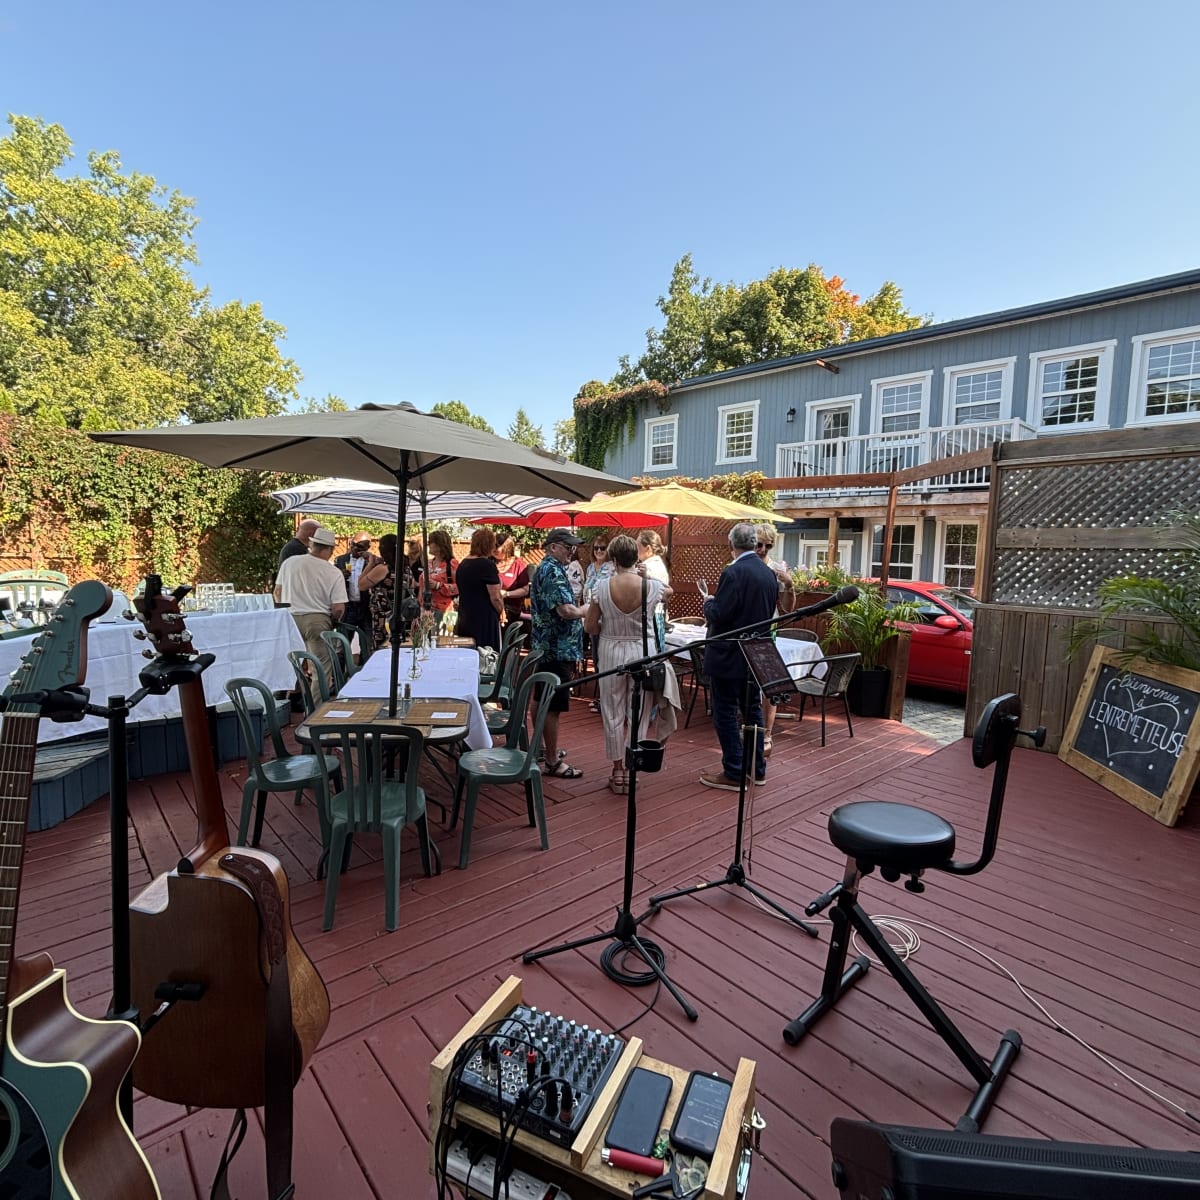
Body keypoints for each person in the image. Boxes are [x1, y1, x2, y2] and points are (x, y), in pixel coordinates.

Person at [584, 535, 680, 794]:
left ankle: (617, 771)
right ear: (636, 558)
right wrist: (646, 575)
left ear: (614, 560)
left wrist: (608, 626)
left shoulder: (601, 587)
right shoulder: (651, 586)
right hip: (641, 651)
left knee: (612, 711)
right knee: (638, 712)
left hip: (610, 651)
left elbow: (590, 626)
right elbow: (669, 591)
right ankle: (631, 769)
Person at [698, 522, 779, 790]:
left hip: (729, 655)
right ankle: (757, 769)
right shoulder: (768, 574)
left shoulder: (733, 572)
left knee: (725, 712)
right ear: (755, 543)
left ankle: (733, 771)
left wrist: (709, 603)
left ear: (731, 544)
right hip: (756, 654)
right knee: (752, 710)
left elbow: (720, 614)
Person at [529, 528, 589, 779]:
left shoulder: (546, 568)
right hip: (557, 648)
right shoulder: (552, 571)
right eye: (568, 546)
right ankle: (553, 761)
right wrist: (587, 609)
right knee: (552, 705)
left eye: (573, 547)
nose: (572, 552)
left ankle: (541, 748)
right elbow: (566, 611)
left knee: (541, 697)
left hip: (548, 646)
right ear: (553, 547)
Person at [273, 526, 347, 684]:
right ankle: (317, 701)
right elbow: (338, 608)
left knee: (292, 665)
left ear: (312, 544)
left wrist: (284, 610)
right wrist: (333, 620)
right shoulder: (333, 572)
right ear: (330, 549)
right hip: (317, 619)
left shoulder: (289, 563)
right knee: (321, 669)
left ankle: (293, 695)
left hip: (290, 618)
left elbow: (277, 592)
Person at [753, 523, 793, 757]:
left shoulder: (775, 569)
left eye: (768, 546)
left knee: (770, 683)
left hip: (768, 630)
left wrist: (789, 585)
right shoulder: (741, 566)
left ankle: (767, 734)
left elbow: (787, 608)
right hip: (745, 629)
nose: (762, 550)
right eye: (759, 544)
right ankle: (750, 729)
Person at [334, 530, 383, 663]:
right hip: (348, 607)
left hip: (366, 608)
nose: (355, 548)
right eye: (353, 544)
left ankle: (363, 670)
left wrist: (370, 558)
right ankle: (340, 674)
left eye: (360, 546)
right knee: (342, 646)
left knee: (367, 646)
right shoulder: (341, 560)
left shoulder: (373, 561)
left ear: (367, 547)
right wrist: (341, 576)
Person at [455, 528, 503, 650]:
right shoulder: (487, 565)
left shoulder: (463, 564)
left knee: (467, 652)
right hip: (484, 619)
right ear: (488, 545)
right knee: (486, 655)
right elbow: (495, 597)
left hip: (465, 616)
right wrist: (501, 611)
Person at [582, 536, 615, 713]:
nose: (599, 551)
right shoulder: (590, 567)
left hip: (605, 619)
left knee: (605, 660)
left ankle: (606, 700)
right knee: (596, 658)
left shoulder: (612, 568)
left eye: (603, 548)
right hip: (590, 617)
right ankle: (602, 697)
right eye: (596, 548)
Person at [361, 533, 399, 651]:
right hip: (400, 614)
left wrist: (370, 564)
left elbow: (361, 585)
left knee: (382, 647)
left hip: (383, 616)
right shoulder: (405, 568)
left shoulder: (383, 569)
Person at [636, 529, 670, 649]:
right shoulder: (658, 564)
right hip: (657, 614)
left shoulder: (648, 567)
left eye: (638, 546)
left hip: (651, 616)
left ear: (648, 548)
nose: (636, 550)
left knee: (651, 650)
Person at [495, 536, 530, 626]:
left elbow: (525, 590)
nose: (493, 548)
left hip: (511, 609)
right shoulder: (488, 562)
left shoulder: (518, 565)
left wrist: (507, 594)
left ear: (507, 548)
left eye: (496, 546)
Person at [426, 529, 458, 620]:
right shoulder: (428, 563)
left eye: (430, 542)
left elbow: (461, 586)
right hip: (426, 610)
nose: (428, 544)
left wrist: (438, 585)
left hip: (445, 613)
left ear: (439, 545)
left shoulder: (452, 564)